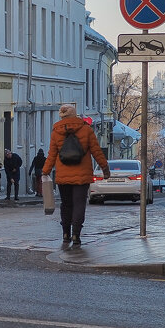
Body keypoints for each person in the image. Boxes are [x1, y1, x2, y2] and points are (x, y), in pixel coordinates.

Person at [42, 104, 110, 247]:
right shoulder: (86, 129)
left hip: (63, 176)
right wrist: (105, 168)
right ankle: (76, 235)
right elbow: (97, 151)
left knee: (66, 205)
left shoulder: (56, 131)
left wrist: (45, 171)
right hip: (82, 175)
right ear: (75, 114)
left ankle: (65, 233)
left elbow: (52, 154)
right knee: (79, 204)